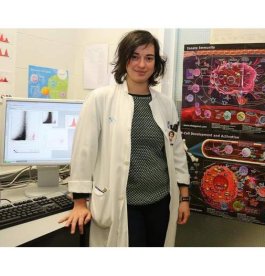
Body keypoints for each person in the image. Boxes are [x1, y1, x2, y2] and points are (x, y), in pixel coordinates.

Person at [59, 30, 191, 247]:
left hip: (161, 201)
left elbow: (176, 152)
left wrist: (184, 198)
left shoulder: (165, 104)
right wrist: (79, 203)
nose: (142, 64)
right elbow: (84, 152)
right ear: (124, 60)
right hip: (123, 203)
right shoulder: (101, 99)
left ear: (156, 63)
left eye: (149, 58)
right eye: (135, 56)